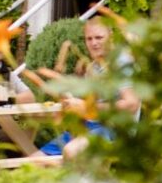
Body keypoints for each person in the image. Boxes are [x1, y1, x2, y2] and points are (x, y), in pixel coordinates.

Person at [41, 15, 139, 159]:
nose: (94, 43)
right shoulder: (92, 67)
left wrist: (87, 107)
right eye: (89, 39)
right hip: (88, 128)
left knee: (70, 151)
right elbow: (87, 108)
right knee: (35, 160)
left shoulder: (122, 63)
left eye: (99, 38)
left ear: (110, 36)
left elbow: (132, 104)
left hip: (115, 131)